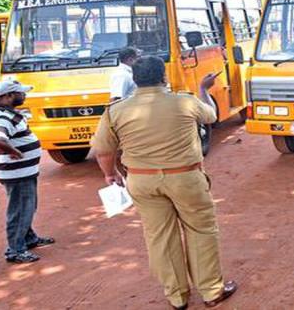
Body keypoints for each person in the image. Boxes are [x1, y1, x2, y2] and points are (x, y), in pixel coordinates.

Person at [92, 56, 237, 309]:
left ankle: (177, 297)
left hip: (142, 181)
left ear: (135, 80)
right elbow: (211, 116)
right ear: (164, 77)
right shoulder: (185, 101)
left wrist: (111, 173)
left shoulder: (115, 111)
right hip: (186, 178)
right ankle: (212, 291)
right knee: (201, 231)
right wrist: (203, 89)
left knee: (160, 237)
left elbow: (103, 151)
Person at [0, 80, 54, 264]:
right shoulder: (2, 118)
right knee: (19, 211)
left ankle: (29, 238)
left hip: (23, 171)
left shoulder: (6, 113)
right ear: (9, 96)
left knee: (27, 207)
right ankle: (15, 250)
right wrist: (15, 152)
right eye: (20, 93)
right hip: (17, 173)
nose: (24, 95)